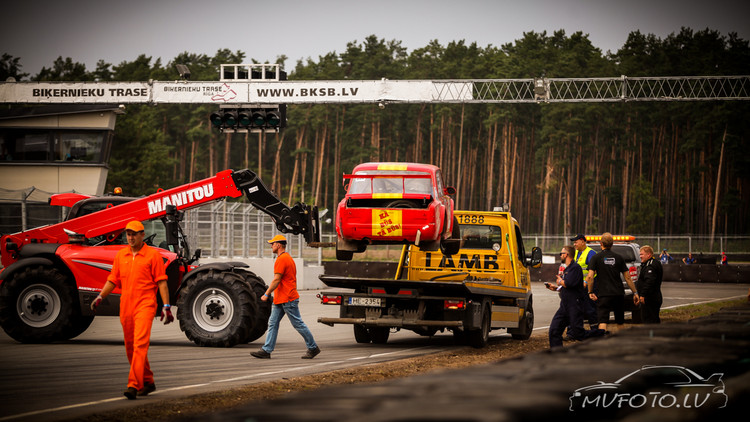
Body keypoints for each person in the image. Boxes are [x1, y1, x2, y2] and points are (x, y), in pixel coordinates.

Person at [91, 220, 173, 400]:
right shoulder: (121, 255)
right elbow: (113, 279)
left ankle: (133, 385)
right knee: (130, 347)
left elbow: (162, 282)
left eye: (134, 234)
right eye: (128, 234)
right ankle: (148, 381)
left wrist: (166, 306)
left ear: (142, 235)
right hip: (126, 305)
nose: (131, 237)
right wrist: (100, 297)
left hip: (146, 305)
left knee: (140, 345)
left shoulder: (153, 256)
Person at [251, 234, 321, 359]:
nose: (271, 246)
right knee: (273, 323)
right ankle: (266, 350)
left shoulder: (282, 259)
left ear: (278, 245)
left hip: (288, 298)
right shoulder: (287, 258)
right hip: (281, 298)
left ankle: (313, 347)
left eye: (272, 244)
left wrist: (266, 294)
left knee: (298, 324)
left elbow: (276, 280)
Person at [586, 232, 639, 331]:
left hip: (603, 294)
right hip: (618, 294)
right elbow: (627, 277)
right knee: (620, 321)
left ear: (601, 244)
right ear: (612, 244)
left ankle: (603, 341)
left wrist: (590, 291)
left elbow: (590, 277)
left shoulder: (595, 258)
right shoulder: (619, 258)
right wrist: (635, 292)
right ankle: (621, 342)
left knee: (603, 321)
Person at [570, 234, 598, 328]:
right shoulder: (576, 253)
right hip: (578, 286)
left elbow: (592, 271)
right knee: (576, 309)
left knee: (590, 309)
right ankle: (574, 332)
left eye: (576, 242)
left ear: (582, 242)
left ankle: (595, 330)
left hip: (588, 285)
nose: (574, 244)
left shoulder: (590, 253)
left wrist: (586, 282)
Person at [636, 245, 663, 323]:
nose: (640, 256)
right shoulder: (651, 263)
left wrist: (643, 295)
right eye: (640, 254)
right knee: (652, 319)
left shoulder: (650, 265)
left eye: (642, 254)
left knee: (649, 320)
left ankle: (651, 335)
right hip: (652, 297)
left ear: (649, 255)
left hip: (650, 298)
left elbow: (649, 281)